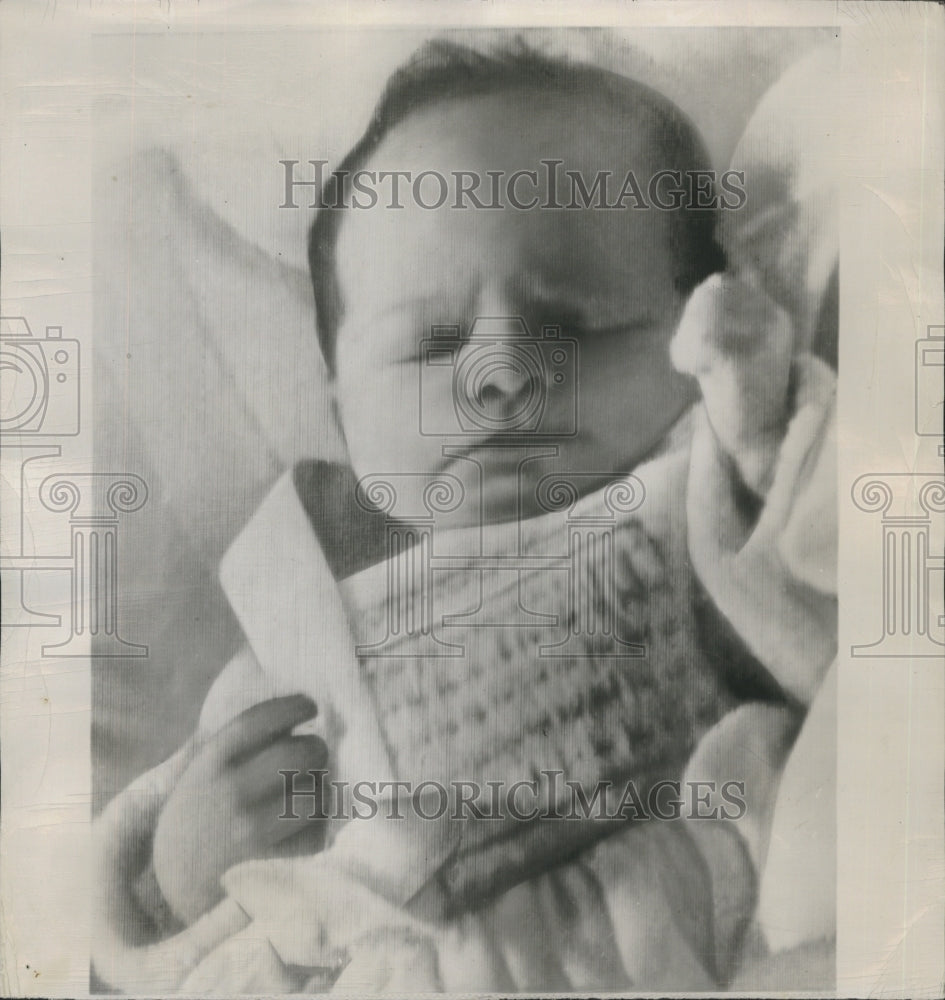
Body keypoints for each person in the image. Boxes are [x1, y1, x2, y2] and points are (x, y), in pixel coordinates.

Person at [93, 39, 837, 993]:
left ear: (695, 323)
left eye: (574, 327)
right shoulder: (301, 612)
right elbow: (201, 916)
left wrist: (766, 418)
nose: (501, 376)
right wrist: (175, 879)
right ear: (341, 410)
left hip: (708, 924)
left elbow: (834, 611)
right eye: (433, 343)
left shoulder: (714, 499)